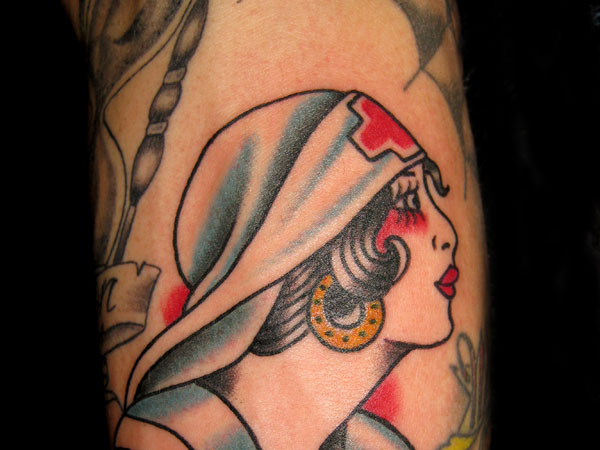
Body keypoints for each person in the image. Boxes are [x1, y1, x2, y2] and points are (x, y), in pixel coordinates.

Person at [61, 1, 489, 449]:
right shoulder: (179, 433)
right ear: (301, 243)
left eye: (435, 195)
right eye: (408, 204)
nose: (448, 233)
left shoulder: (380, 443)